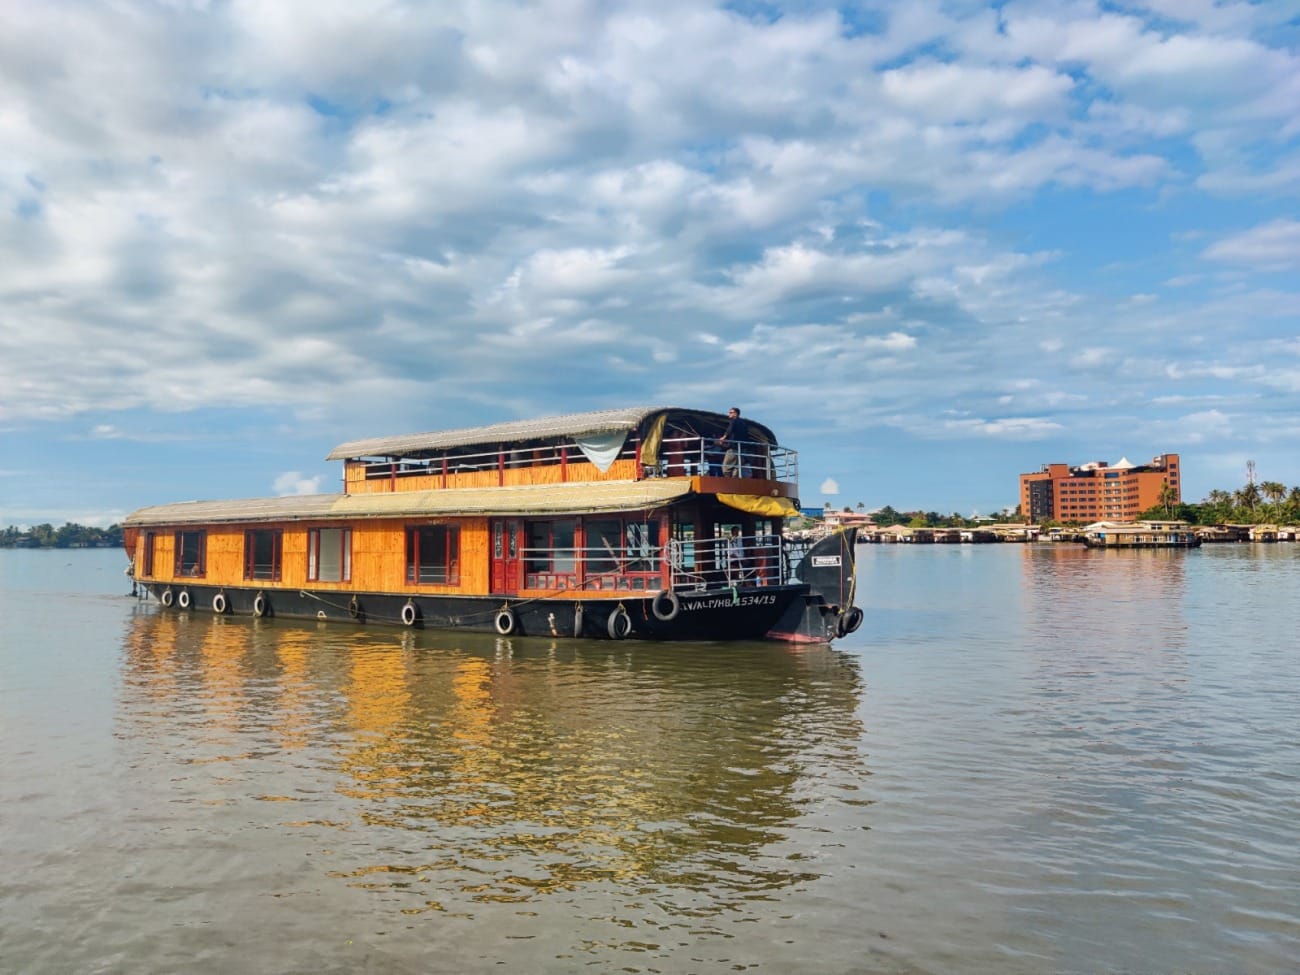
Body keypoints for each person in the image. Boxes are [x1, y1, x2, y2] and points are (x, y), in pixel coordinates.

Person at [717, 407, 749, 477]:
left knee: (725, 468)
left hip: (734, 448)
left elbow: (729, 430)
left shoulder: (733, 421)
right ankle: (734, 481)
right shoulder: (744, 424)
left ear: (735, 414)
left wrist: (723, 438)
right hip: (742, 449)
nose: (729, 414)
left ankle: (729, 481)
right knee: (737, 467)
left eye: (731, 412)